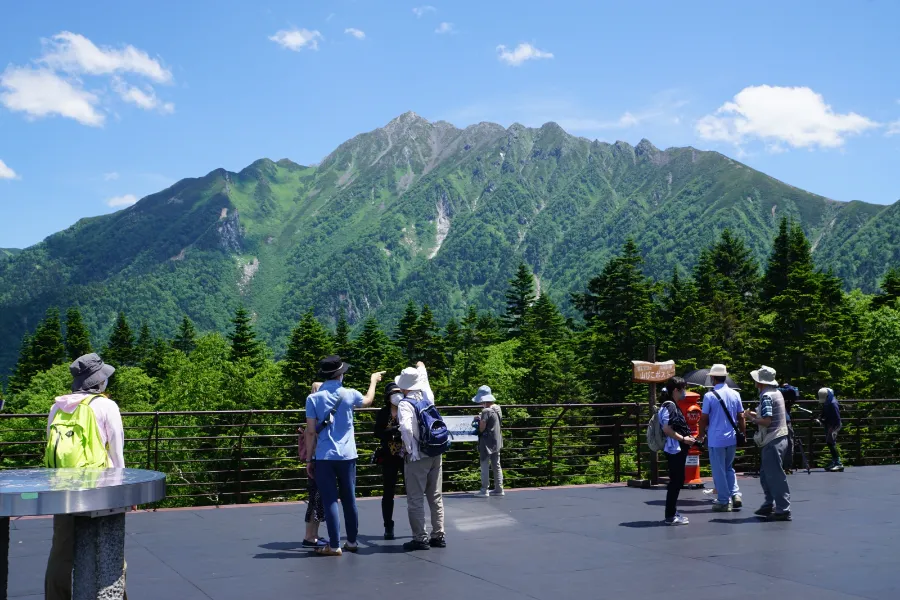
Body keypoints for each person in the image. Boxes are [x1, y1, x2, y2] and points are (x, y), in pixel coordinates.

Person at [45, 353, 128, 600]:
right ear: (99, 382)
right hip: (99, 490)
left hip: (63, 489)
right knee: (109, 548)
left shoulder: (57, 406)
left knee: (61, 550)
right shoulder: (106, 406)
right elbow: (116, 451)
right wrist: (124, 491)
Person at [305, 355, 384, 556]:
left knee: (331, 500)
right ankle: (352, 541)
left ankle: (334, 545)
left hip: (324, 456)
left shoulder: (313, 398)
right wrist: (373, 381)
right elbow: (367, 401)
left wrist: (308, 459)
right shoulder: (349, 394)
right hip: (348, 455)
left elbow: (311, 431)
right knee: (349, 499)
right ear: (340, 375)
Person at [397, 362, 446, 551]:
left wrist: (411, 449)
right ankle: (438, 535)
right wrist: (422, 367)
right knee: (435, 495)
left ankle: (420, 538)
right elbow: (424, 378)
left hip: (419, 455)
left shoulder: (405, 404)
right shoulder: (427, 396)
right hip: (435, 451)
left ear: (403, 386)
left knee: (415, 497)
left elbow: (407, 428)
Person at [744, 366, 792, 521]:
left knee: (774, 475)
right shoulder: (776, 393)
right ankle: (770, 503)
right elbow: (768, 415)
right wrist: (754, 414)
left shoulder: (766, 396)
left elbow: (766, 421)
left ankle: (782, 508)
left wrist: (750, 418)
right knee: (766, 474)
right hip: (781, 436)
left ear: (760, 382)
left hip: (773, 439)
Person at [698, 364, 745, 512]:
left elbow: (703, 418)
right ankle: (735, 494)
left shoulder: (709, 396)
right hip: (731, 437)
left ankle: (724, 501)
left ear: (713, 378)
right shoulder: (735, 394)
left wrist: (700, 435)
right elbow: (741, 416)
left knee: (718, 470)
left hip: (716, 438)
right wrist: (743, 433)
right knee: (729, 467)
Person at [658, 377, 696, 525]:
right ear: (676, 390)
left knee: (677, 480)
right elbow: (667, 429)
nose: (684, 393)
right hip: (675, 449)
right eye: (682, 389)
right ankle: (670, 515)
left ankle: (672, 512)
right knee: (676, 481)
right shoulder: (671, 407)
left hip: (674, 448)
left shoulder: (669, 405)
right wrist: (684, 439)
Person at [374, 382, 405, 539]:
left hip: (406, 456)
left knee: (413, 491)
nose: (397, 396)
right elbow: (377, 432)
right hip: (389, 456)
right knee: (388, 492)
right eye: (394, 393)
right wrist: (391, 431)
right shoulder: (383, 413)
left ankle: (417, 525)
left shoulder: (406, 410)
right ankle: (388, 525)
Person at [302, 382, 327, 549]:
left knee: (318, 500)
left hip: (317, 461)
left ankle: (313, 534)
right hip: (318, 461)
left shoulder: (313, 420)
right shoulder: (317, 423)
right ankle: (309, 536)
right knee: (316, 499)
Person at [473, 385, 504, 498]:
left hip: (487, 442)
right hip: (497, 440)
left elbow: (482, 427)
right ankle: (499, 488)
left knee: (484, 464)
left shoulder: (486, 410)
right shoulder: (497, 408)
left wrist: (479, 419)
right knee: (496, 464)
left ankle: (484, 490)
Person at [819, 387, 843, 472]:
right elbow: (825, 413)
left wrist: (833, 430)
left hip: (834, 425)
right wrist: (822, 419)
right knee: (830, 443)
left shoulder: (833, 403)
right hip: (830, 425)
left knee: (831, 442)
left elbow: (837, 418)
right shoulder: (827, 402)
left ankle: (838, 463)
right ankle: (835, 461)